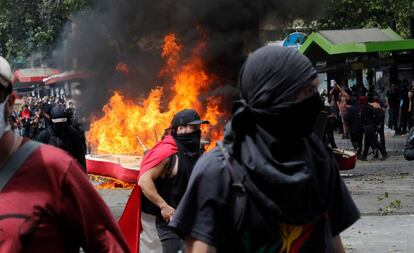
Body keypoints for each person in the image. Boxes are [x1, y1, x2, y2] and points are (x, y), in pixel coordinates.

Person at [170, 46, 360, 253]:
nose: (314, 102)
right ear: (272, 96)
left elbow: (333, 243)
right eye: (306, 92)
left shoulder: (320, 159)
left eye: (314, 91)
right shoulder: (218, 171)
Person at [0, 56, 130, 252]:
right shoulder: (45, 136)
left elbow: (108, 245)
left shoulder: (55, 169)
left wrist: (82, 177)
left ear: (10, 102)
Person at [118, 109, 209, 253]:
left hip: (187, 218)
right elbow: (144, 180)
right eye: (193, 127)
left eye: (198, 128)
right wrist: (163, 206)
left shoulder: (193, 152)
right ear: (180, 129)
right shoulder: (166, 152)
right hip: (165, 222)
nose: (198, 131)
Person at [360, 96, 388, 160]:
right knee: (367, 142)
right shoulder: (371, 107)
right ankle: (364, 156)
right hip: (372, 126)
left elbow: (362, 118)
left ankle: (384, 153)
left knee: (374, 141)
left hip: (367, 126)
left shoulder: (364, 108)